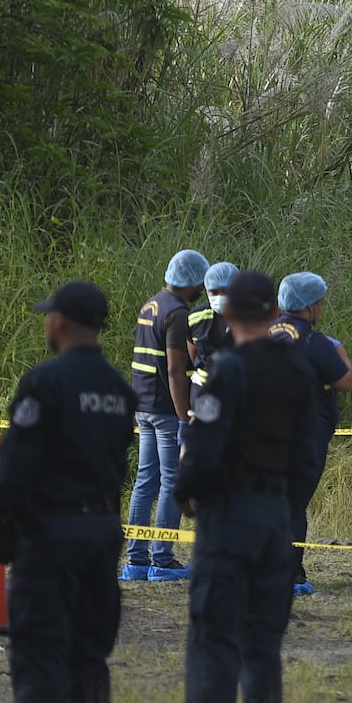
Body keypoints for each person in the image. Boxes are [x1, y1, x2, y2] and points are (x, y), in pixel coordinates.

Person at [0, 281, 136, 703]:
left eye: (49, 317)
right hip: (102, 531)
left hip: (50, 537)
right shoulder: (118, 390)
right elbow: (119, 467)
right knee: (89, 653)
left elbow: (17, 463)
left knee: (40, 649)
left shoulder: (44, 384)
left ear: (60, 322)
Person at [174, 270, 319, 703]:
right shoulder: (298, 371)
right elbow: (306, 454)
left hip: (230, 517)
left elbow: (204, 445)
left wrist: (188, 495)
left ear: (229, 313)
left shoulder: (229, 371)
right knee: (262, 641)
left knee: (215, 635)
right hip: (275, 518)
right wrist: (285, 504)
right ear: (273, 312)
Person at [122, 249, 209, 581]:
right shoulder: (176, 313)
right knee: (173, 481)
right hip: (165, 408)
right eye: (200, 281)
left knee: (146, 481)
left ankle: (136, 561)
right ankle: (162, 560)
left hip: (142, 405)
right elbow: (175, 370)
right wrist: (183, 417)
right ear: (190, 281)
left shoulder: (152, 303)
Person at [269, 271, 352, 596]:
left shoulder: (263, 334)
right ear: (309, 306)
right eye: (320, 302)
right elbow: (344, 381)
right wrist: (340, 354)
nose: (322, 307)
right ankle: (290, 574)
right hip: (304, 432)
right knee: (295, 502)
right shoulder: (312, 341)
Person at [184, 260, 239, 408]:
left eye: (226, 291)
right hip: (204, 393)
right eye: (214, 292)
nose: (220, 297)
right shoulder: (195, 317)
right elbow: (194, 355)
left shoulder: (249, 316)